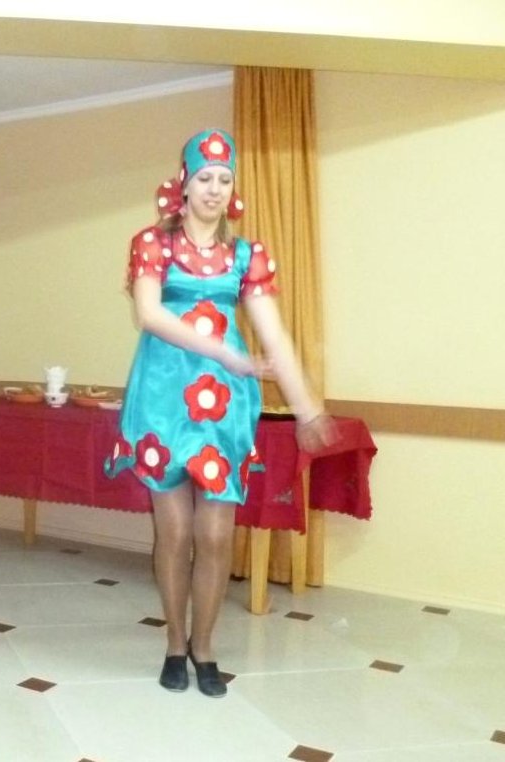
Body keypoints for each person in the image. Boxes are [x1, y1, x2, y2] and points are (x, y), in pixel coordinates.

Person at [105, 128, 334, 697]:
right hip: (163, 399)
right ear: (184, 184)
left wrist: (307, 408)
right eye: (204, 177)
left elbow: (274, 336)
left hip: (224, 406)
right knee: (174, 532)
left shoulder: (246, 255)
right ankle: (173, 644)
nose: (214, 188)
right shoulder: (152, 244)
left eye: (224, 179)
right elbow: (150, 315)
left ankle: (204, 648)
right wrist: (224, 351)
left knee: (214, 536)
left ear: (233, 189)